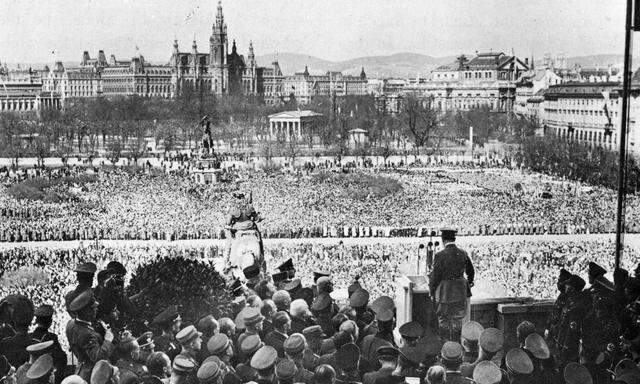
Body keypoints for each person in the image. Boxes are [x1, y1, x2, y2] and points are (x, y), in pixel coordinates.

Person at [428, 229, 475, 341]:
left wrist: (431, 291)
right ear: (454, 239)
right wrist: (469, 282)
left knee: (443, 319)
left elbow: (435, 276)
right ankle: (455, 347)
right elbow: (471, 271)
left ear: (443, 240)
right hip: (460, 292)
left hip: (445, 293)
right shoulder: (463, 253)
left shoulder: (440, 255)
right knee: (457, 320)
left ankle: (445, 347)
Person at [67, 291, 115, 383]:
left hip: (81, 368)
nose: (96, 309)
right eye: (93, 308)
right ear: (85, 311)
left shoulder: (71, 323)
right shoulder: (86, 334)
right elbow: (98, 357)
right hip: (92, 375)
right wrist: (108, 340)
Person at [30, 305, 67, 384]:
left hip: (31, 375)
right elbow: (62, 358)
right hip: (45, 375)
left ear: (36, 321)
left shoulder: (30, 337)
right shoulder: (51, 338)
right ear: (50, 322)